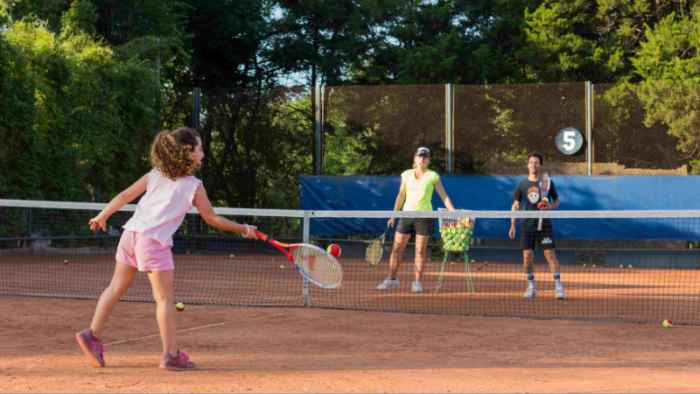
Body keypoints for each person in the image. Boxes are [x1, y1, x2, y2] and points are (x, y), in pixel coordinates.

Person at [75, 127, 259, 370]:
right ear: (188, 152)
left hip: (130, 235)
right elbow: (212, 219)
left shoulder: (155, 174)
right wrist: (244, 229)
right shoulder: (194, 185)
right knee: (164, 299)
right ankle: (171, 355)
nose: (203, 153)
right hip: (153, 243)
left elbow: (124, 195)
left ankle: (92, 335)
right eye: (200, 148)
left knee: (114, 288)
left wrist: (102, 216)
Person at [376, 146, 455, 293]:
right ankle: (392, 279)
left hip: (424, 217)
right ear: (415, 158)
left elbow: (443, 195)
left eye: (425, 156)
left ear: (428, 160)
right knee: (397, 248)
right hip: (406, 215)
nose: (422, 158)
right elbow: (401, 195)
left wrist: (453, 212)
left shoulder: (433, 176)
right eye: (420, 156)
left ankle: (417, 282)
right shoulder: (406, 175)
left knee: (420, 251)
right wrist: (394, 214)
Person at [508, 152, 565, 299]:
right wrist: (513, 225)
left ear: (540, 165)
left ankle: (558, 287)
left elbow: (557, 200)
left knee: (550, 255)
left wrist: (549, 207)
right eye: (531, 162)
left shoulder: (547, 182)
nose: (533, 165)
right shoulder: (522, 184)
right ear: (528, 165)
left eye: (536, 162)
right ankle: (531, 287)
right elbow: (515, 205)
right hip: (528, 226)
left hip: (544, 226)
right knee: (527, 257)